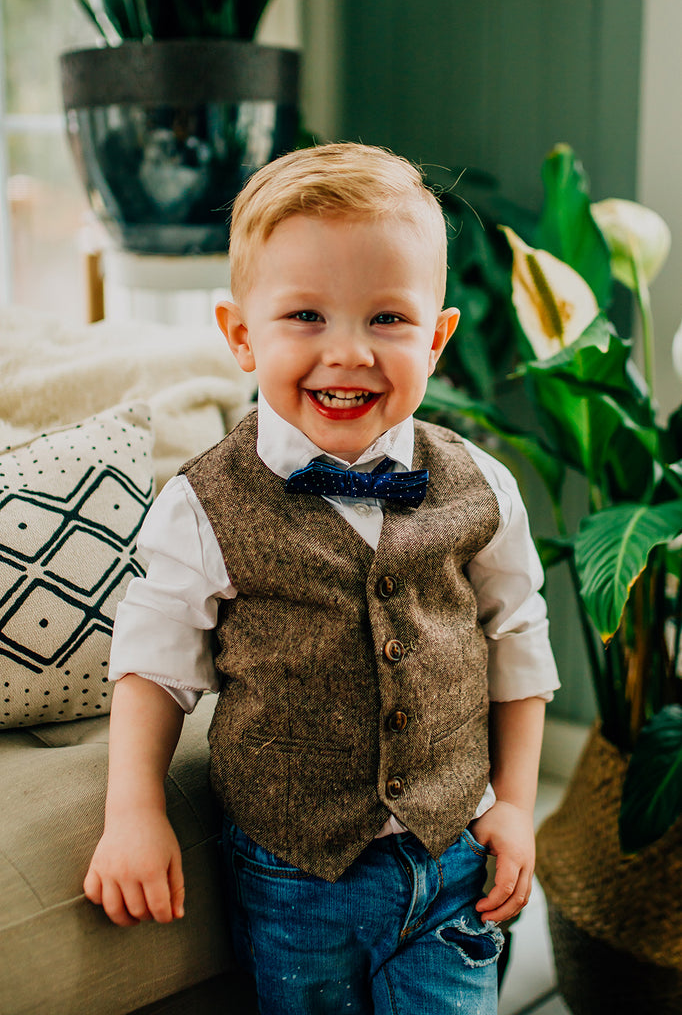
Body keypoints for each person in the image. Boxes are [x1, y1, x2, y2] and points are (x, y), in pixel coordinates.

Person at [84, 142, 559, 1014]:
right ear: (240, 336)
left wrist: (517, 805)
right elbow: (151, 665)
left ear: (438, 337)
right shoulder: (203, 504)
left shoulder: (481, 487)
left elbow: (517, 640)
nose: (349, 353)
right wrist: (133, 811)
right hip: (294, 875)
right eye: (305, 316)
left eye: (387, 319)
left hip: (453, 862)